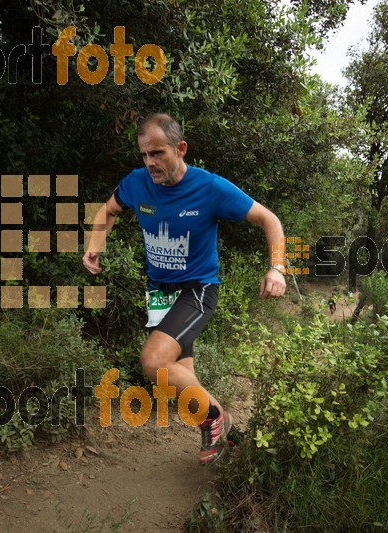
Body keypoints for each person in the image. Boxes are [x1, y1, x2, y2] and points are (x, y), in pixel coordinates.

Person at [82, 113, 287, 465]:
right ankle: (232, 441)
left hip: (197, 289)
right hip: (159, 292)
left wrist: (277, 267)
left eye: (158, 153)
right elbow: (108, 210)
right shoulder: (136, 183)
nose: (150, 163)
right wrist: (95, 243)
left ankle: (214, 420)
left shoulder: (209, 188)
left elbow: (270, 220)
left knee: (154, 362)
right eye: (144, 155)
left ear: (180, 148)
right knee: (183, 383)